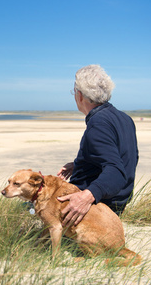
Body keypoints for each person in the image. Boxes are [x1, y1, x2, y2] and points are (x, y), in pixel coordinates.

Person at [57, 64, 139, 227]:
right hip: (117, 203)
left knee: (29, 206)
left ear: (79, 95)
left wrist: (86, 197)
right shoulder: (123, 118)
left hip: (100, 209)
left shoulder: (98, 124)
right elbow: (122, 155)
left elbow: (116, 171)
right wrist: (82, 163)